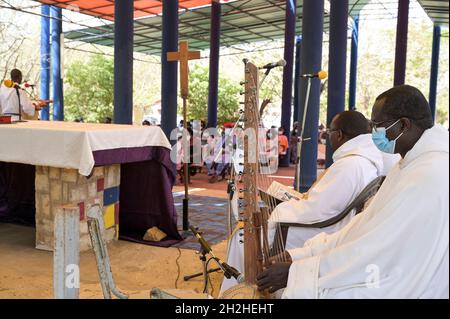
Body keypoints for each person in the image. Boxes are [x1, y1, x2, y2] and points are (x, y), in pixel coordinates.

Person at [257, 85, 449, 299]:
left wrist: (298, 271)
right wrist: (303, 255)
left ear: (404, 124)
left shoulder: (428, 175)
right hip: (387, 264)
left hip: (407, 281)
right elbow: (364, 224)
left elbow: (379, 250)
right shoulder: (409, 164)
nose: (373, 132)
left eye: (378, 125)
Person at [220, 111, 399, 294]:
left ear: (339, 135)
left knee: (242, 236)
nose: (329, 137)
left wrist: (281, 207)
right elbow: (323, 205)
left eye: (330, 132)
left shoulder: (350, 165)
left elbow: (316, 212)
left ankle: (241, 293)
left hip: (317, 231)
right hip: (329, 225)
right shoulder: (361, 160)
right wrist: (298, 200)